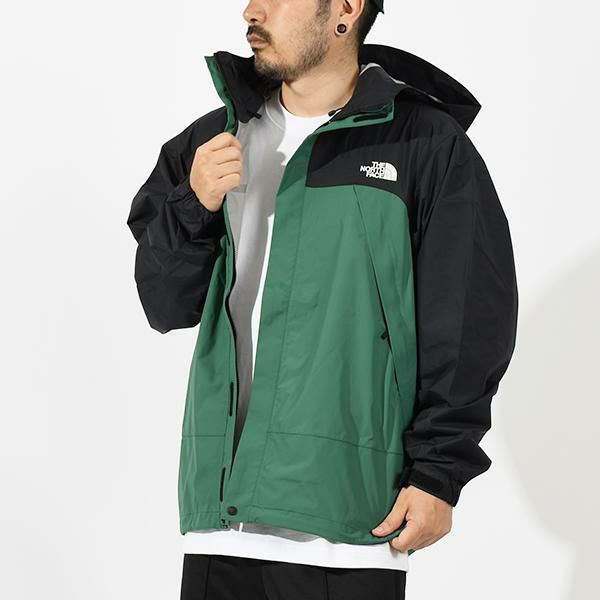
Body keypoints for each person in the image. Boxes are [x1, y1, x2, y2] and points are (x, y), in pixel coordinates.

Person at [126, 0, 519, 598]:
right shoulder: (215, 140)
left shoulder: (422, 144)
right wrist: (192, 205)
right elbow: (164, 305)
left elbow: (468, 324)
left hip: (348, 521)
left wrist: (439, 473)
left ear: (345, 10)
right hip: (220, 524)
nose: (252, 11)